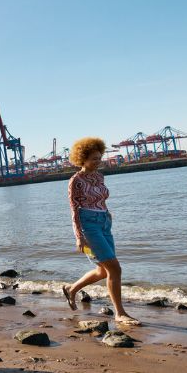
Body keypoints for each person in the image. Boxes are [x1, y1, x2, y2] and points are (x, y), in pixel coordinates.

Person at [61, 137, 140, 326]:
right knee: (115, 268)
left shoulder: (99, 176)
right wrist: (79, 236)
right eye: (94, 159)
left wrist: (107, 214)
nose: (98, 161)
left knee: (103, 271)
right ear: (82, 159)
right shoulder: (75, 181)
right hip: (89, 226)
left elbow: (101, 198)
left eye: (99, 157)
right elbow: (73, 209)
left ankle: (72, 289)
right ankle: (120, 313)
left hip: (104, 222)